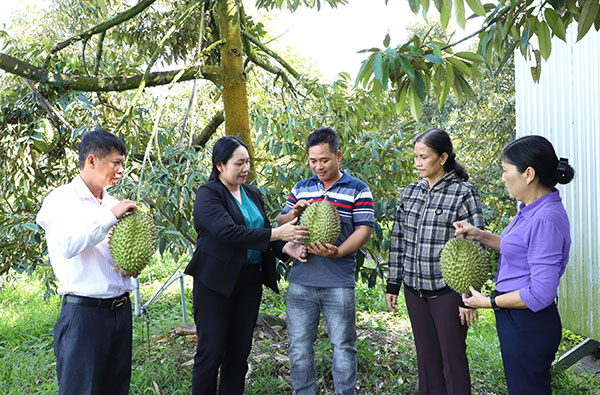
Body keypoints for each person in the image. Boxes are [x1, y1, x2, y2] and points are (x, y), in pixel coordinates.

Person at [183, 135, 309, 395]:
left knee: (239, 353)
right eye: (239, 163)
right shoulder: (208, 195)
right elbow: (230, 233)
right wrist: (278, 234)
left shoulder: (252, 193)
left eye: (248, 162)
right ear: (220, 165)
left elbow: (261, 233)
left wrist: (286, 246)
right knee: (211, 352)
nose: (246, 169)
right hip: (215, 284)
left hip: (249, 282)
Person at [454, 135, 575, 394]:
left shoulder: (545, 219)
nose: (502, 178)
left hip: (528, 322)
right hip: (517, 319)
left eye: (505, 171)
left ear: (528, 174)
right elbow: (520, 248)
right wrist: (479, 235)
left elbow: (540, 294)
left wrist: (489, 302)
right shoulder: (529, 209)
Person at [36, 129, 138, 395]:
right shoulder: (60, 200)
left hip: (120, 312)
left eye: (122, 165)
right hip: (84, 316)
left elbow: (121, 256)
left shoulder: (114, 202)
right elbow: (68, 246)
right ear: (91, 161)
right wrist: (110, 217)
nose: (120, 171)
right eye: (115, 163)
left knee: (116, 389)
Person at [385, 128, 484, 395]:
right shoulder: (410, 192)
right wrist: (393, 284)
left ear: (442, 158)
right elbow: (399, 239)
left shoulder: (463, 192)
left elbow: (475, 244)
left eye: (423, 157)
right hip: (414, 290)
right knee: (426, 359)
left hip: (448, 292)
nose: (417, 162)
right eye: (415, 156)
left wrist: (467, 296)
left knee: (452, 359)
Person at [277, 126, 374, 395]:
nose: (318, 166)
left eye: (324, 160)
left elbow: (364, 230)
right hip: (301, 280)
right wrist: (295, 211)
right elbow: (281, 222)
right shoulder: (301, 187)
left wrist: (339, 252)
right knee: (298, 345)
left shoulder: (358, 188)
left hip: (338, 282)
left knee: (343, 345)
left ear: (338, 155)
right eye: (313, 160)